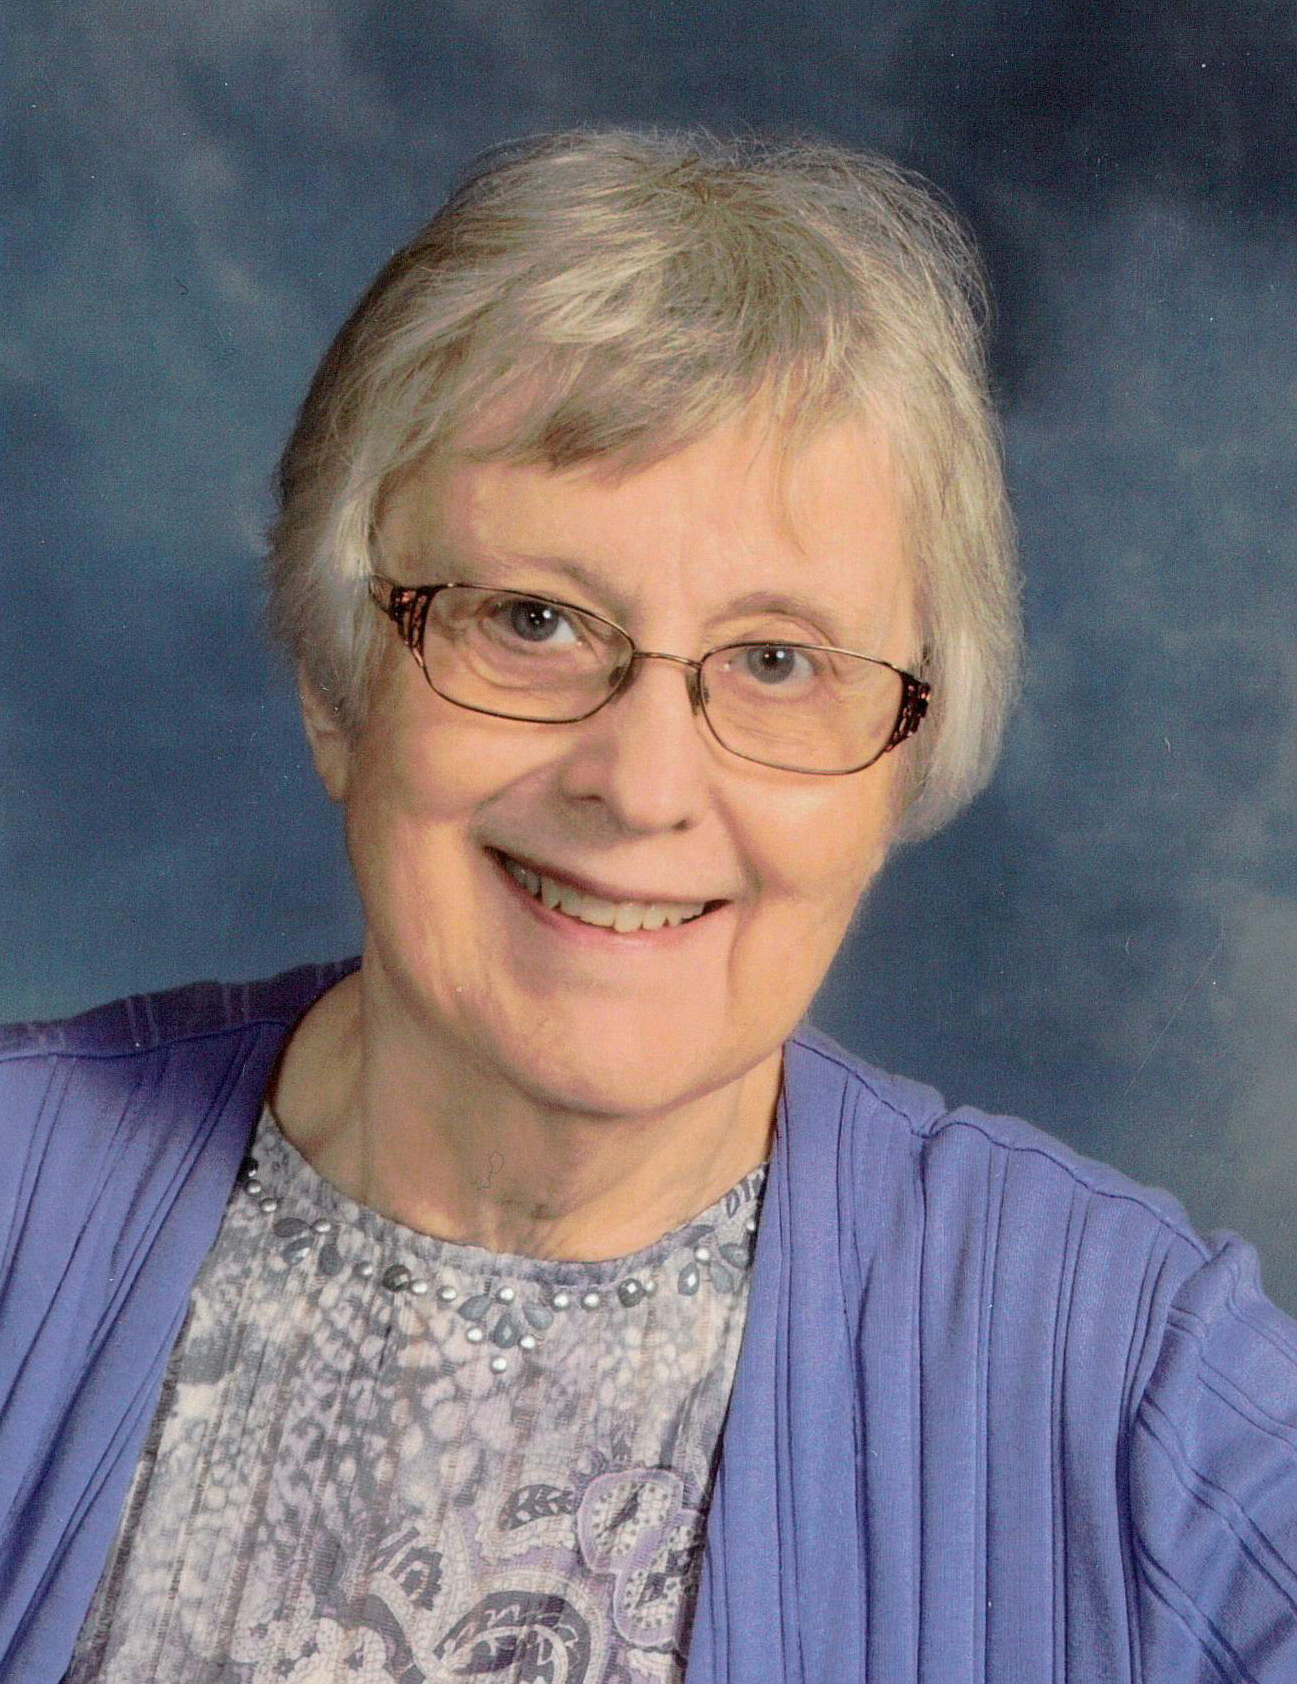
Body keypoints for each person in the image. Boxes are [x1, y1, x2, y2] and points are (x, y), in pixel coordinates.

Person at [2, 127, 1294, 1684]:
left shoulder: (1143, 1389)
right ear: (337, 688)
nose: (640, 782)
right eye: (532, 621)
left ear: (900, 764)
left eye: (778, 661)